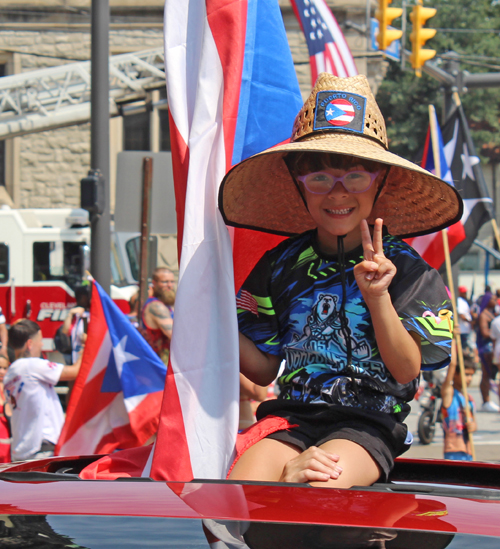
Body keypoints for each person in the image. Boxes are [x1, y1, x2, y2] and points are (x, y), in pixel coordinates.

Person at [219, 73, 461, 488]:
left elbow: (406, 370)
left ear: (378, 182)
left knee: (321, 485)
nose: (337, 194)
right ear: (300, 187)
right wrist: (212, 315)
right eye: (318, 179)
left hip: (368, 425)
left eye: (354, 177)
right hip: (290, 419)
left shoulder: (409, 271)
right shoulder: (279, 264)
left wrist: (378, 296)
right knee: (237, 494)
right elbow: (262, 369)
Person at [3, 319, 83, 461]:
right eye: (39, 340)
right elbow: (75, 371)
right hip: (41, 449)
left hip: (22, 450)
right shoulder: (31, 365)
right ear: (29, 344)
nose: (41, 345)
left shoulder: (10, 373)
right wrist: (85, 346)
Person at [441, 344, 477, 461]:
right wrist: (454, 340)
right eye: (466, 374)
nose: (469, 379)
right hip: (453, 450)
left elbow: (474, 422)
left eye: (471, 375)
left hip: (468, 450)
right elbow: (453, 365)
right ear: (456, 375)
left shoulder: (469, 399)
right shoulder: (449, 394)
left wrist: (473, 426)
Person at [141, 267, 175, 364]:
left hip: (165, 361)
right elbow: (175, 336)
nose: (169, 285)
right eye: (165, 282)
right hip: (159, 363)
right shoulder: (156, 307)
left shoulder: (166, 305)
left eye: (172, 282)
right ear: (154, 283)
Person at [475, 292, 499, 412]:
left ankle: (488, 400)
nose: (495, 301)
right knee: (485, 374)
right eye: (493, 299)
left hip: (490, 347)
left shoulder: (490, 313)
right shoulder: (484, 315)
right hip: (485, 347)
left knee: (489, 375)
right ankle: (486, 400)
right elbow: (485, 333)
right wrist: (495, 333)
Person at [61, 284, 91, 365]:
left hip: (85, 356)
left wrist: (84, 318)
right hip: (74, 356)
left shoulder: (90, 315)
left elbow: (84, 337)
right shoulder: (76, 313)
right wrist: (70, 314)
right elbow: (65, 331)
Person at [0, 353, 11, 463]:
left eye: (5, 368)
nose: (2, 371)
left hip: (9, 434)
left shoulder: (12, 387)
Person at [457, 286, 473, 351]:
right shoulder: (459, 301)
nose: (465, 294)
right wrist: (469, 321)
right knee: (464, 348)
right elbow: (461, 314)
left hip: (466, 329)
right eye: (463, 292)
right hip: (462, 329)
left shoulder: (464, 301)